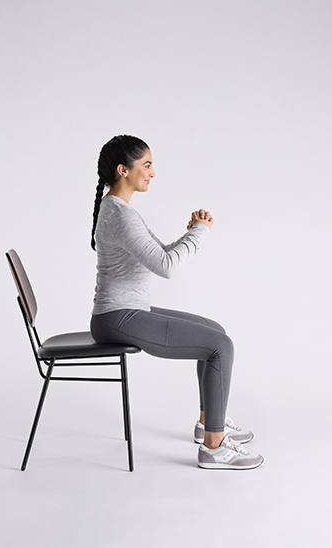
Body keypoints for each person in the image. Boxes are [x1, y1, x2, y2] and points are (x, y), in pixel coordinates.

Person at [89, 135, 264, 470]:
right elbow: (167, 267)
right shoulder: (121, 215)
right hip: (118, 317)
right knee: (220, 346)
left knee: (215, 331)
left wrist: (190, 233)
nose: (153, 173)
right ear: (123, 170)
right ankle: (214, 446)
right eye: (147, 165)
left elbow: (159, 254)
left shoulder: (119, 209)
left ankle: (207, 422)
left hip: (123, 311)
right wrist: (200, 232)